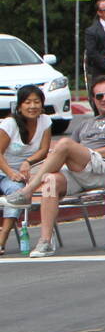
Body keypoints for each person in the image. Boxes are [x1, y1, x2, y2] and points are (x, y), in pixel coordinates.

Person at [2, 76, 105, 258]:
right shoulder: (85, 124)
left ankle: (27, 192)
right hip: (76, 172)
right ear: (93, 100)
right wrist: (30, 165)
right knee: (51, 179)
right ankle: (45, 241)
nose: (104, 99)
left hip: (103, 169)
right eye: (99, 96)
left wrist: (84, 151)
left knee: (64, 144)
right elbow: (63, 154)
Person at [0, 86, 52, 255]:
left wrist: (27, 162)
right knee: (15, 185)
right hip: (4, 169)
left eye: (36, 102)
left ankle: (2, 238)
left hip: (22, 175)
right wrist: (10, 172)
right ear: (19, 106)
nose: (32, 106)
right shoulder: (10, 124)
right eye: (27, 102)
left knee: (17, 191)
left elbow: (44, 151)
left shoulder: (45, 121)